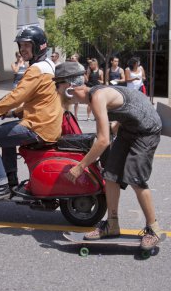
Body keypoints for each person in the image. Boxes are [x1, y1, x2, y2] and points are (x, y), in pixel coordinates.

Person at [53, 61, 163, 250]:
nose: (57, 90)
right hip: (129, 127)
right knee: (110, 175)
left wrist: (80, 167)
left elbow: (102, 141)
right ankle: (112, 224)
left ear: (69, 87)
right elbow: (127, 104)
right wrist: (117, 124)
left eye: (58, 85)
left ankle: (154, 230)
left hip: (146, 131)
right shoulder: (93, 95)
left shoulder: (97, 97)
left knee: (136, 178)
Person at [0, 26, 63, 202]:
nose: (22, 49)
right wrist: (14, 113)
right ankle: (10, 178)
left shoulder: (36, 69)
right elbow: (39, 100)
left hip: (37, 127)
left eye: (27, 45)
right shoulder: (49, 65)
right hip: (47, 124)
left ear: (38, 46)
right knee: (6, 130)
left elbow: (17, 95)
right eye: (21, 45)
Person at [69, 53, 85, 120]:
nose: (71, 59)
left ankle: (75, 115)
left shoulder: (80, 66)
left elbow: (81, 77)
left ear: (77, 58)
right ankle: (69, 114)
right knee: (69, 100)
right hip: (70, 84)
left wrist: (78, 84)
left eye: (73, 58)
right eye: (71, 58)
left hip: (77, 85)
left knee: (76, 101)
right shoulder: (70, 66)